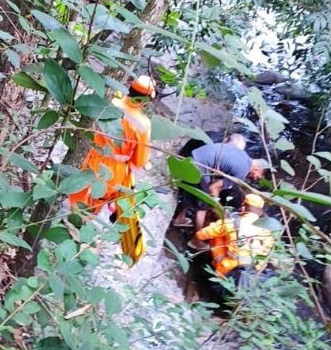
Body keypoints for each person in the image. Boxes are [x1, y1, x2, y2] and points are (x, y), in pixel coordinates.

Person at [68, 75, 156, 264]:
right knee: (94, 203)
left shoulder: (111, 102)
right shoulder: (143, 124)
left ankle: (70, 224)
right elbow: (140, 161)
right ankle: (76, 238)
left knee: (80, 194)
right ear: (146, 100)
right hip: (112, 170)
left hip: (90, 157)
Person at [173, 133, 248, 227]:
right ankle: (197, 238)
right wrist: (218, 207)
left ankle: (180, 219)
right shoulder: (236, 164)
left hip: (188, 156)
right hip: (194, 163)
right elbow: (212, 188)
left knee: (192, 192)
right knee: (203, 203)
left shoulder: (217, 142)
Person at [194, 193, 275, 278]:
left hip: (230, 269)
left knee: (218, 236)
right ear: (260, 212)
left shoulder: (232, 223)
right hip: (254, 271)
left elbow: (202, 234)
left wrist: (196, 237)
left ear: (243, 207)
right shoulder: (268, 231)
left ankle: (215, 271)